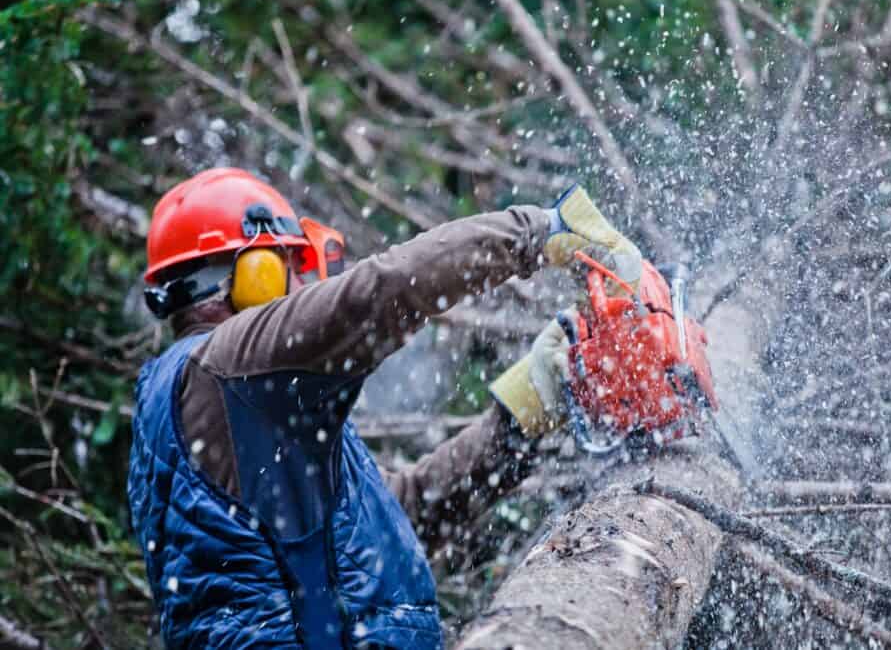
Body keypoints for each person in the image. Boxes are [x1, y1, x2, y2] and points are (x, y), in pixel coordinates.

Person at [128, 168, 641, 649]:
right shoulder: (230, 366)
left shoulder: (229, 401)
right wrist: (539, 230)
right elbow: (378, 293)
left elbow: (395, 519)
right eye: (286, 267)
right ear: (250, 274)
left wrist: (522, 415)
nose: (298, 287)